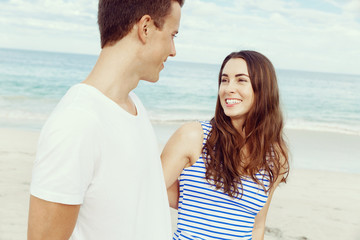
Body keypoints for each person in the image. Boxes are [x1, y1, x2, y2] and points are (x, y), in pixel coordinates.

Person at [27, 0, 184, 239]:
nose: (173, 50)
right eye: (172, 35)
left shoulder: (134, 106)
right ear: (146, 28)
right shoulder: (77, 122)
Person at [161, 50, 290, 239]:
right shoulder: (194, 136)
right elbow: (151, 189)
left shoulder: (276, 156)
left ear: (263, 89)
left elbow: (257, 225)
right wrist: (195, 202)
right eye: (224, 80)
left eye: (241, 80)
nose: (228, 88)